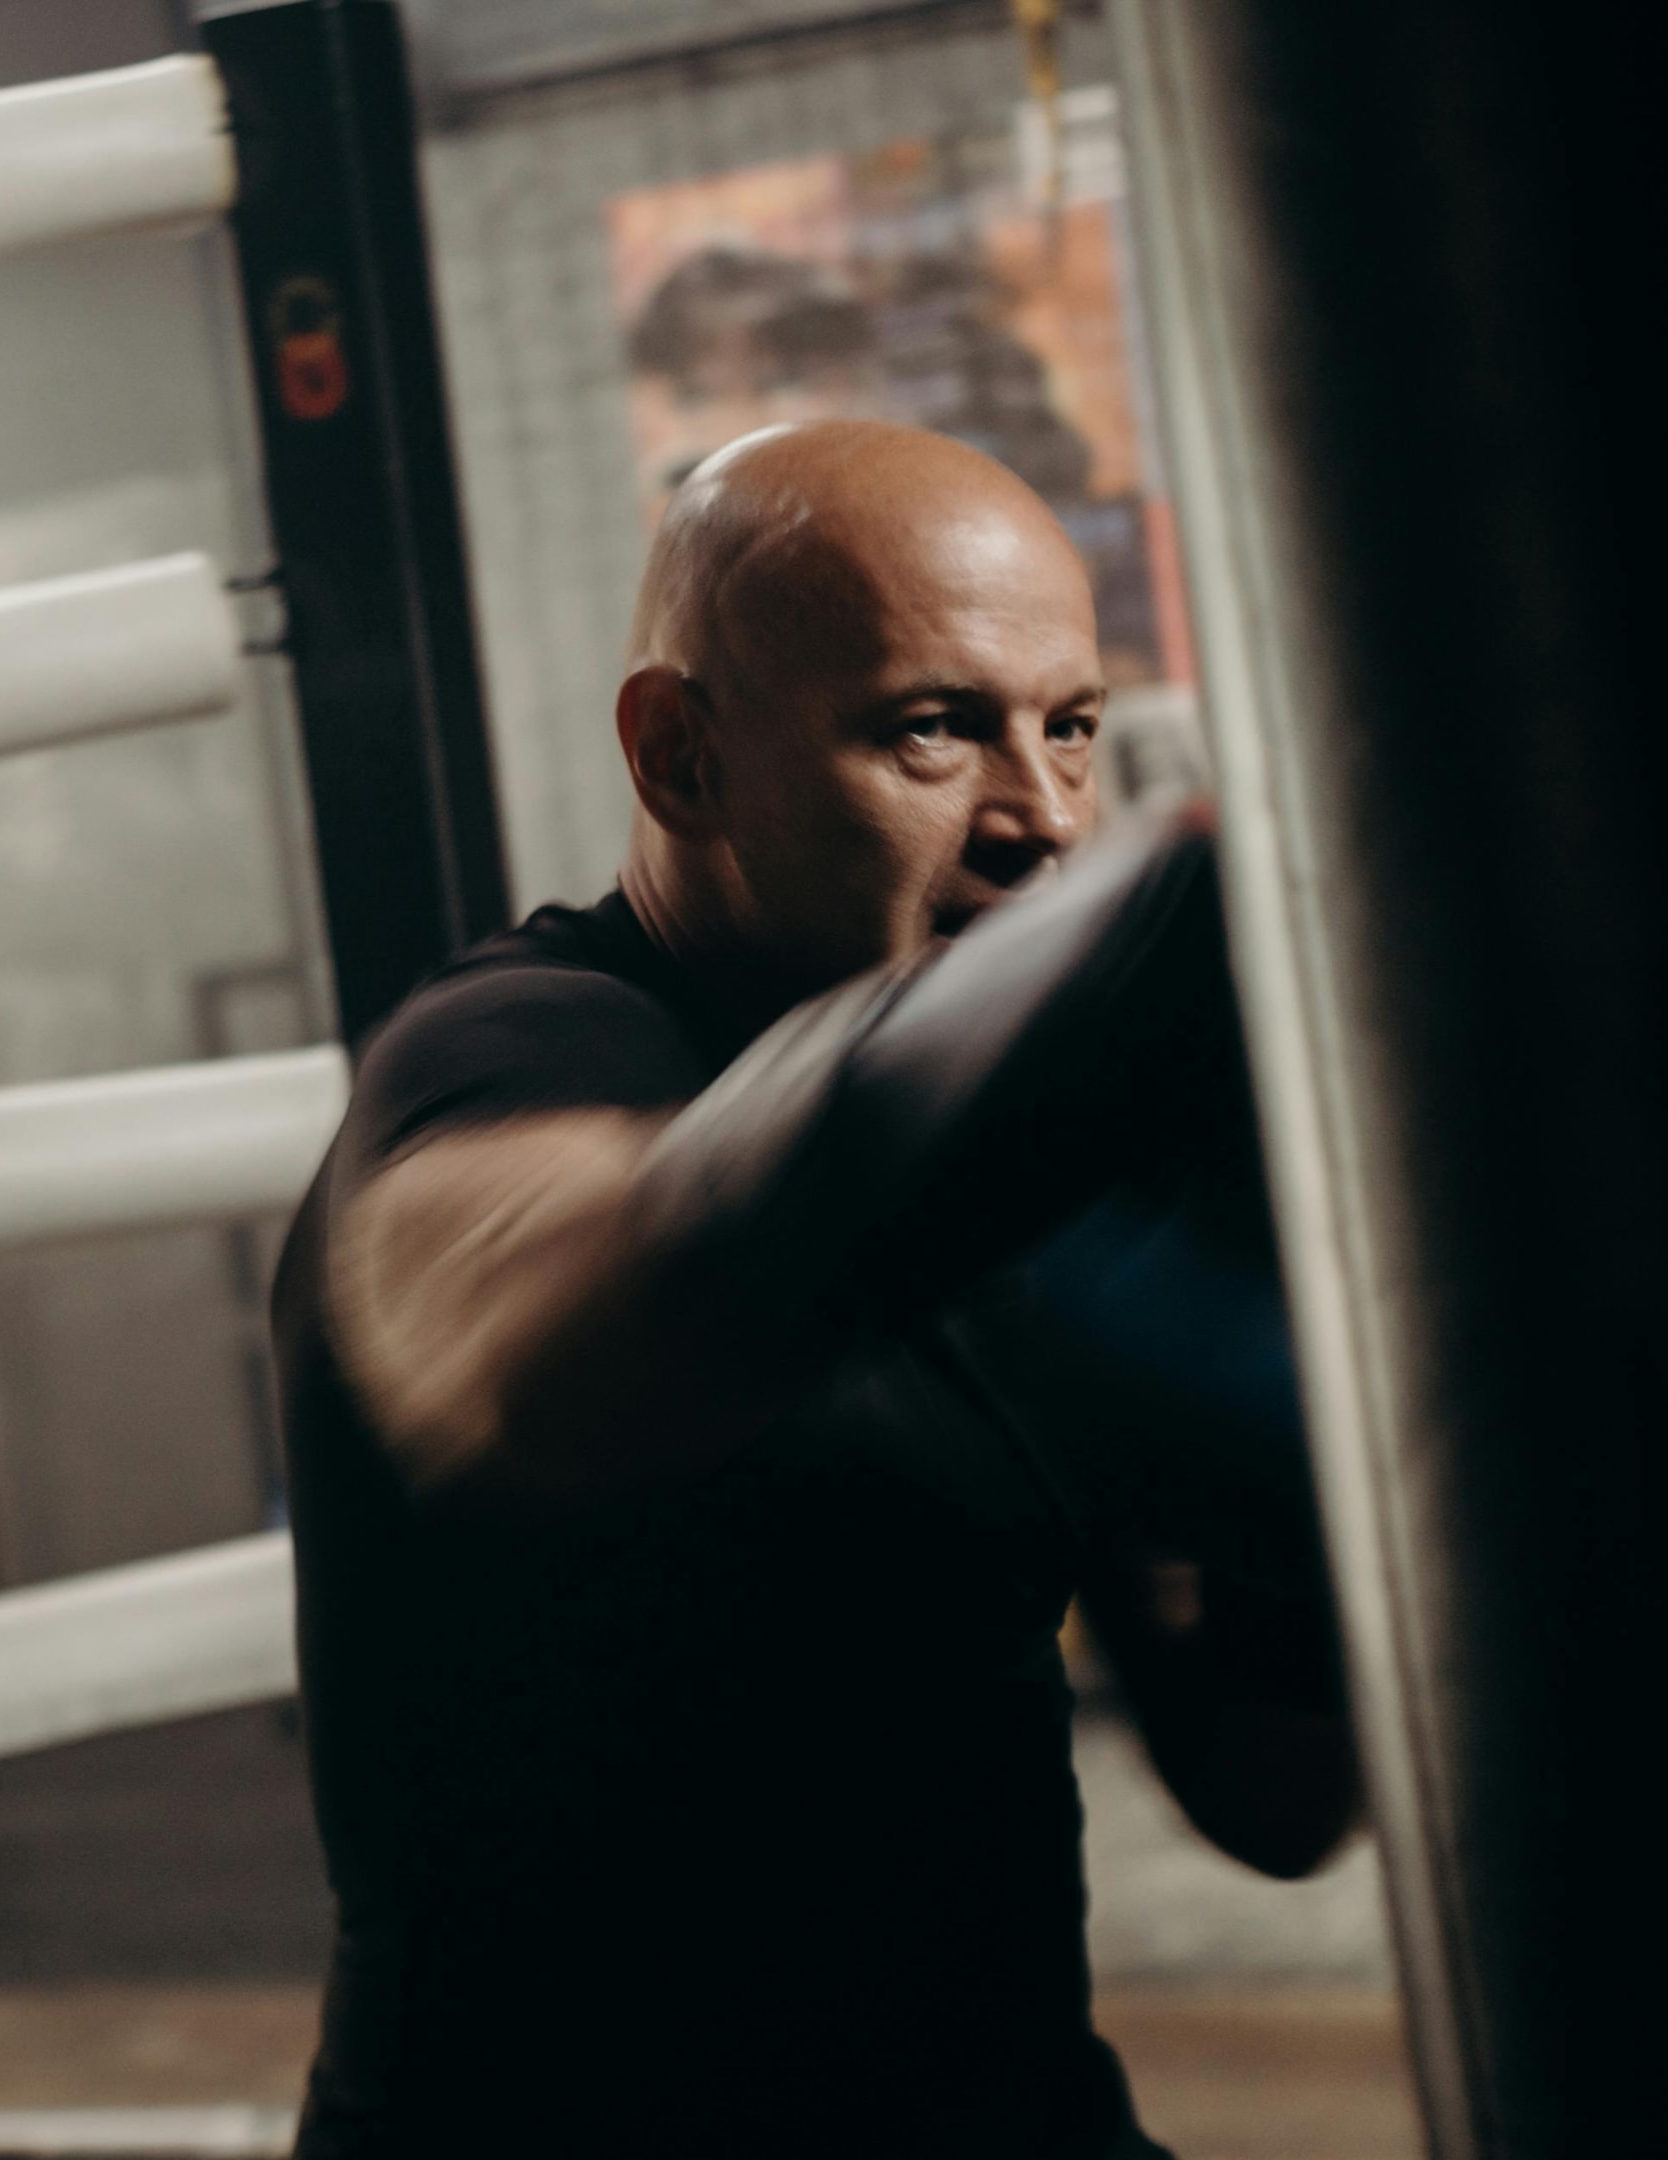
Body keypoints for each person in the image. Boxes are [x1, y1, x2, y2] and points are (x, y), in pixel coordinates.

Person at [272, 419, 1357, 2158]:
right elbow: (509, 1349)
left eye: (1068, 729)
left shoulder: (1044, 1151)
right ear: (678, 753)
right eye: (930, 730)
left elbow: (1271, 1799)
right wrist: (1124, 968)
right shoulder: (527, 1042)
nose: (1042, 821)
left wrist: (1320, 1487)